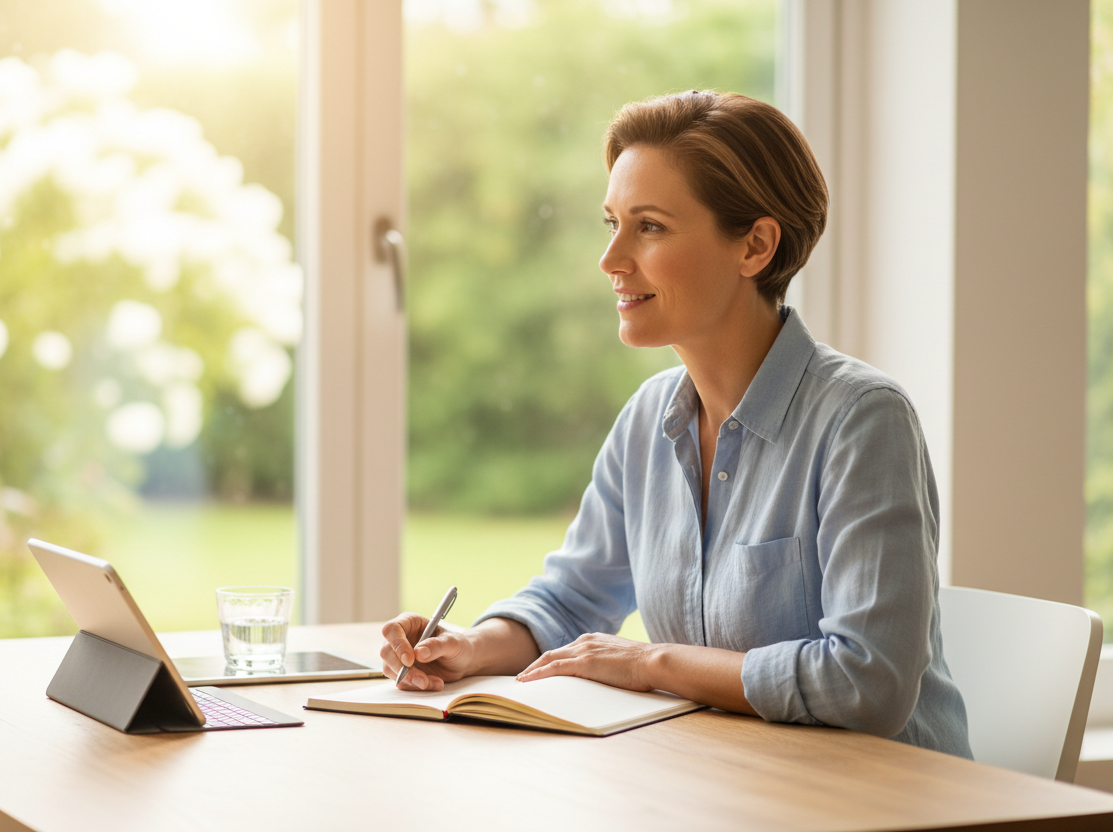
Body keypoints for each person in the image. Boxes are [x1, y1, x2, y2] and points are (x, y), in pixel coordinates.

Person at [381, 90, 972, 758]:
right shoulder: (647, 421)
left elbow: (868, 683)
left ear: (755, 246)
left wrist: (649, 663)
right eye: (612, 224)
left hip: (896, 803)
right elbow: (574, 599)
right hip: (737, 782)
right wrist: (468, 647)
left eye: (650, 227)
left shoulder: (861, 421)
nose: (611, 260)